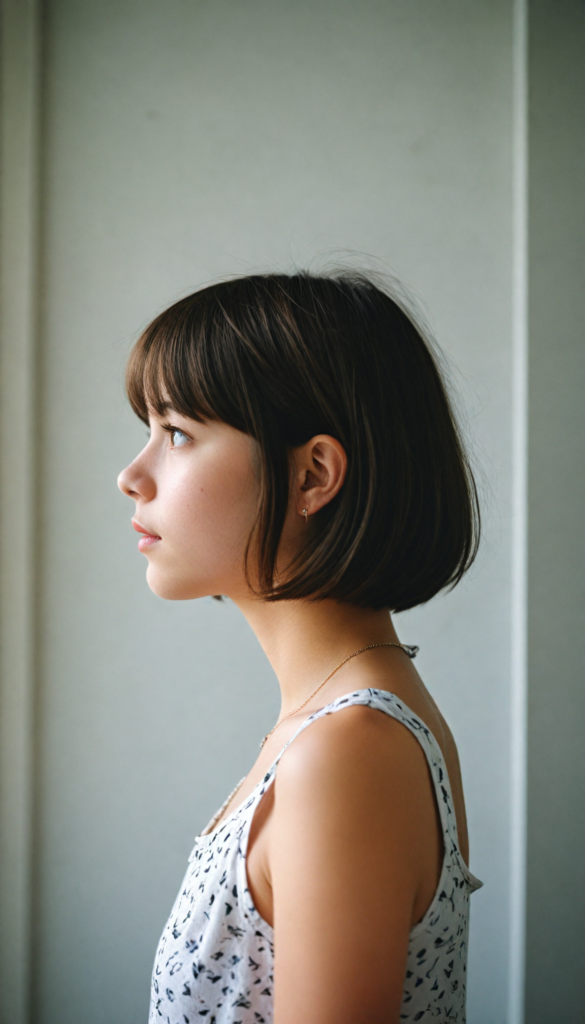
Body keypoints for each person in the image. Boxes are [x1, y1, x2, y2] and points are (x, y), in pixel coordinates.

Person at [117, 271, 483, 1024]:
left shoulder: (348, 750)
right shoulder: (338, 730)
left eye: (177, 433)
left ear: (312, 473)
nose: (132, 476)